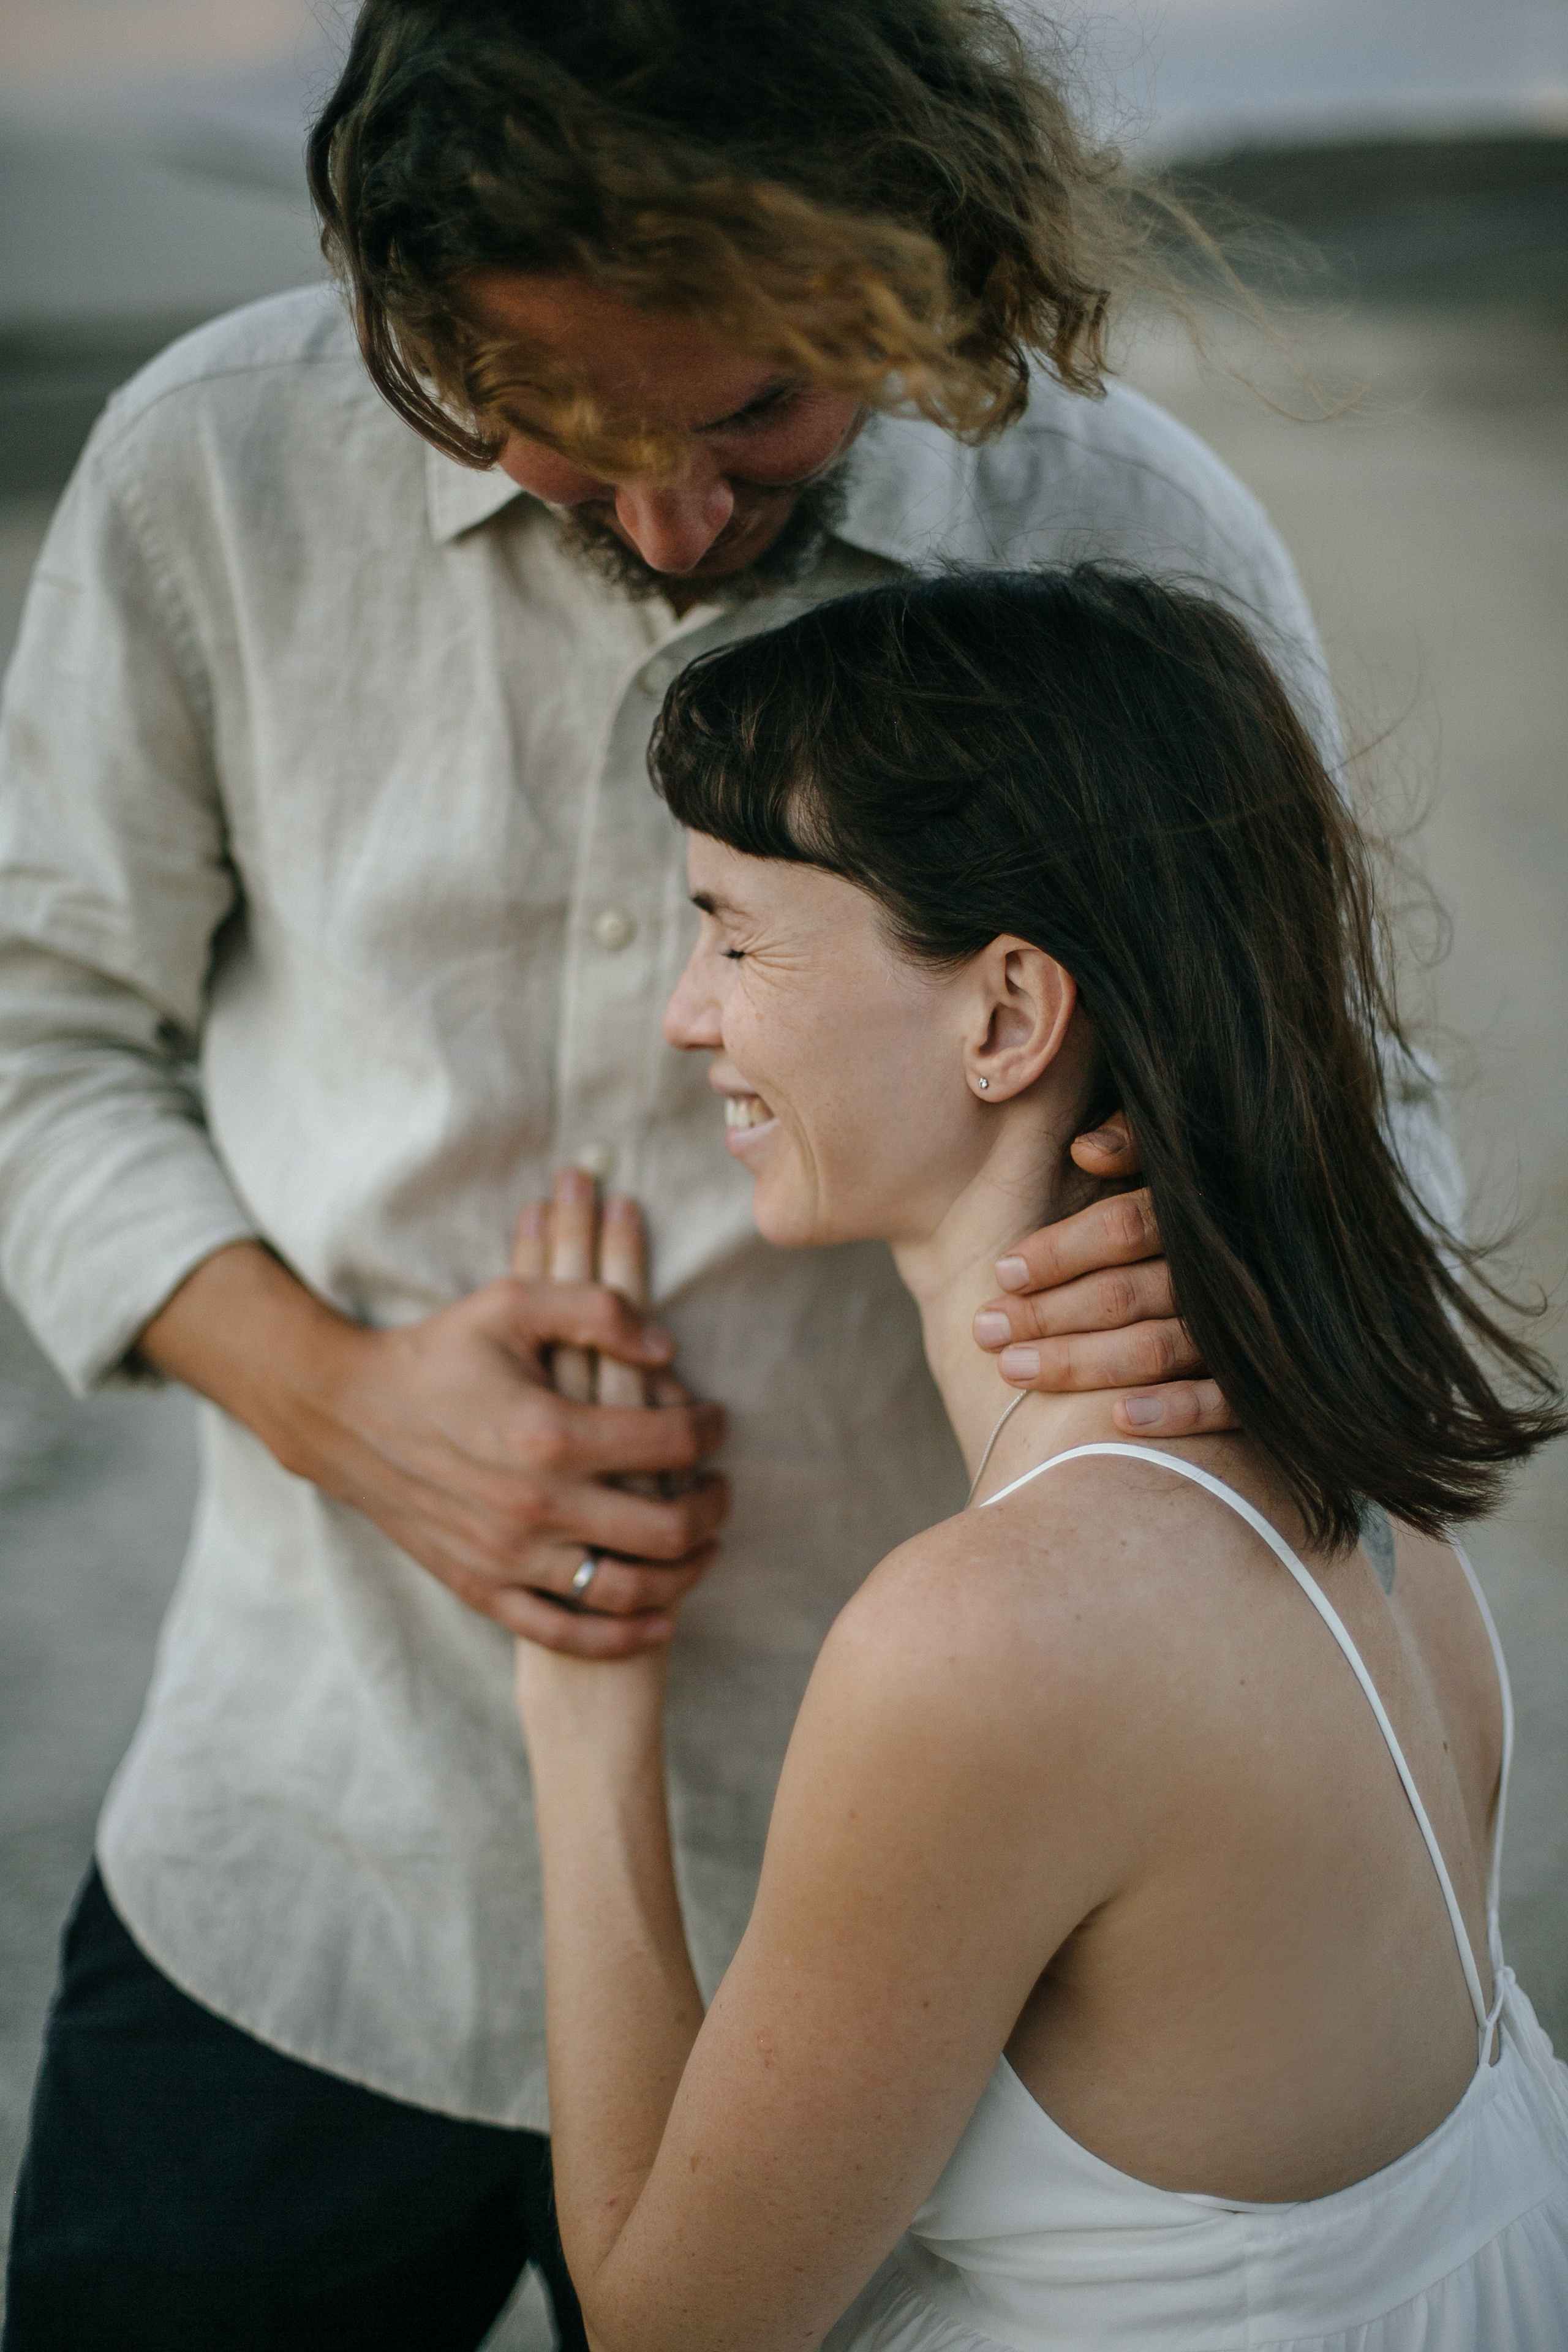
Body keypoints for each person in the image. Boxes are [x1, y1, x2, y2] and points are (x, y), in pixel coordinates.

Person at [0, 4, 1453, 2346]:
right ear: (406, 307)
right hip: (312, 1847)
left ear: (922, 258)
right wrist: (334, 1402)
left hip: (916, 1961)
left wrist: (1240, 1259)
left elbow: (1362, 1107)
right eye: (563, 427)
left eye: (757, 411)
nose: (674, 520)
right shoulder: (210, 470)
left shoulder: (1135, 531)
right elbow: (38, 1036)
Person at [512, 567, 1568, 2352]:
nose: (687, 1014)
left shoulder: (988, 1641)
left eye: (736, 937)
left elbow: (663, 2331)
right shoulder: (1365, 1483)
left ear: (1006, 1016)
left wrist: (579, 1695)